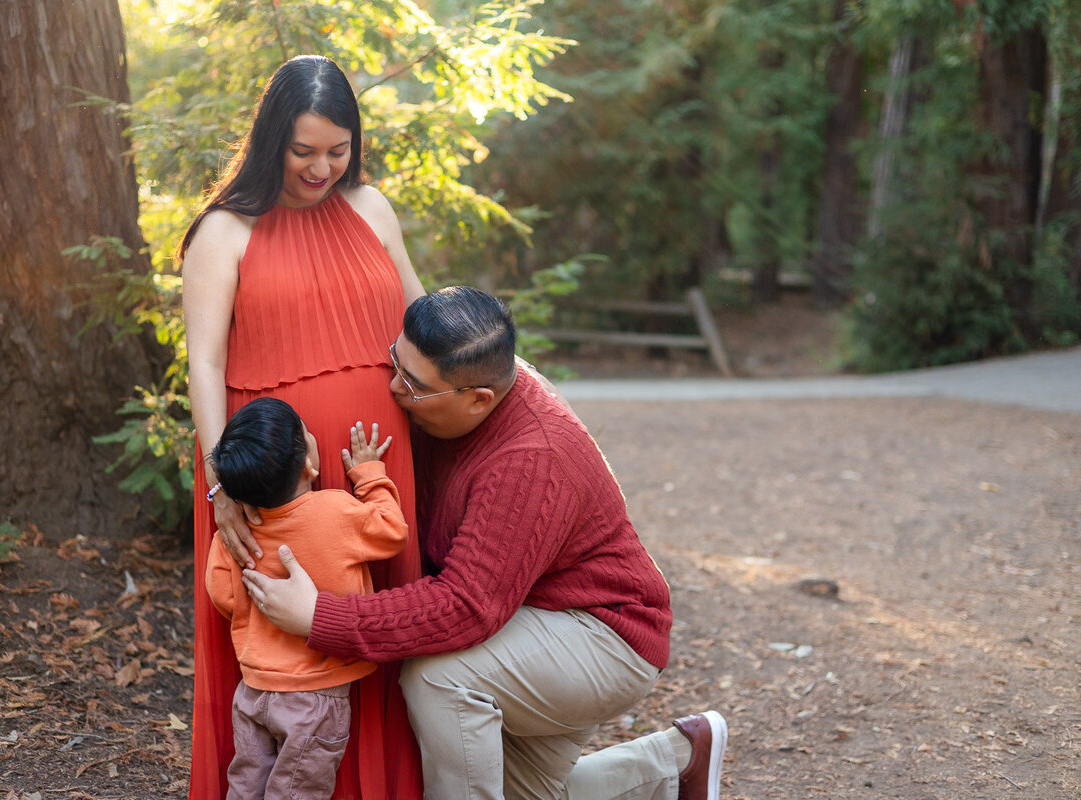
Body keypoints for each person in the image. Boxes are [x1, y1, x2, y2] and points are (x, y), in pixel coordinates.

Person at [245, 286, 730, 800]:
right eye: (396, 362)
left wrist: (320, 618)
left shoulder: (531, 457)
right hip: (530, 613)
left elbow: (465, 606)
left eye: (413, 384)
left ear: (479, 399)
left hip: (603, 634)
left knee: (439, 678)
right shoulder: (466, 370)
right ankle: (679, 762)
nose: (394, 387)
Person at [180, 54, 425, 800]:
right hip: (264, 474)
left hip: (375, 471)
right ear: (270, 141)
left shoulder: (373, 209)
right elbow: (204, 364)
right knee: (282, 642)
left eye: (338, 150)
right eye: (303, 151)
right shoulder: (224, 231)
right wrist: (225, 485)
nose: (322, 168)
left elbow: (423, 323)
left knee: (376, 626)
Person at [205, 398, 408, 800]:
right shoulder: (337, 512)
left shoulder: (233, 536)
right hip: (314, 700)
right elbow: (392, 530)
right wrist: (368, 474)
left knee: (245, 785)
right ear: (309, 465)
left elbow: (223, 595)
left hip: (254, 690)